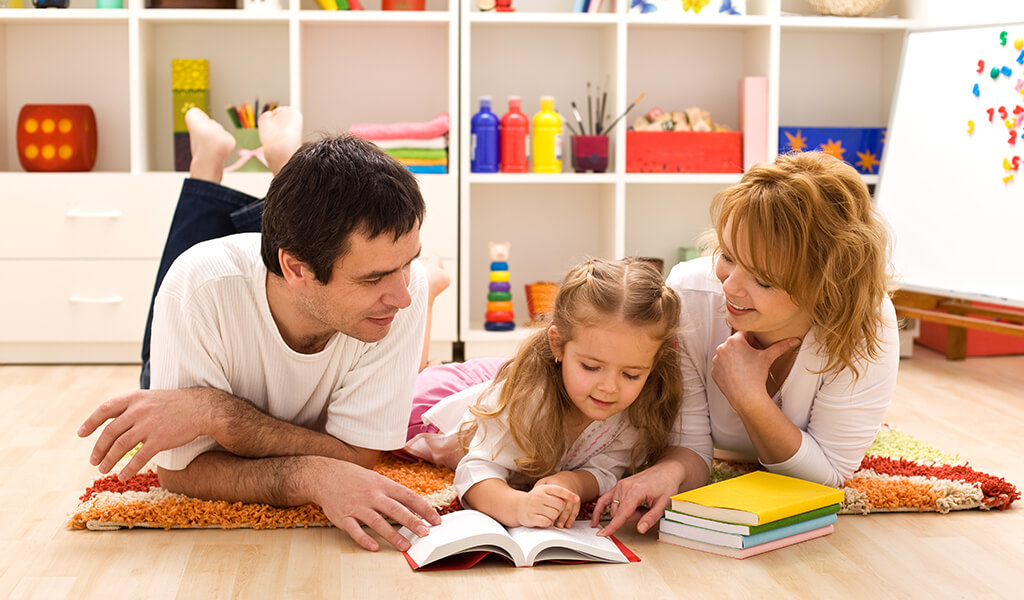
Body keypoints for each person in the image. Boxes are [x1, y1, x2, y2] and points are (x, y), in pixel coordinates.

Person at [78, 107, 447, 552]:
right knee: (188, 261)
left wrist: (214, 414)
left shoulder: (402, 295)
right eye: (372, 279)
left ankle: (285, 162)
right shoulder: (198, 289)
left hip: (277, 282)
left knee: (308, 221)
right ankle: (210, 163)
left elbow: (358, 457)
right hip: (221, 293)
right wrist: (313, 471)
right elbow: (181, 471)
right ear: (295, 268)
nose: (404, 298)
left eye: (409, 263)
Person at [594, 151, 900, 537]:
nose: (730, 286)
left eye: (764, 281)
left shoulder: (867, 322)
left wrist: (750, 398)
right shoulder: (689, 296)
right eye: (727, 256)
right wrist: (666, 473)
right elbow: (689, 441)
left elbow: (827, 478)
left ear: (826, 285)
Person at [401, 257, 699, 529]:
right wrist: (518, 506)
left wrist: (572, 482)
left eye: (631, 374)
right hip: (438, 406)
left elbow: (607, 469)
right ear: (557, 345)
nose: (610, 388)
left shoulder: (637, 406)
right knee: (404, 386)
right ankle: (426, 289)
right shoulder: (526, 402)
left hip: (519, 377)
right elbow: (475, 470)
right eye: (591, 367)